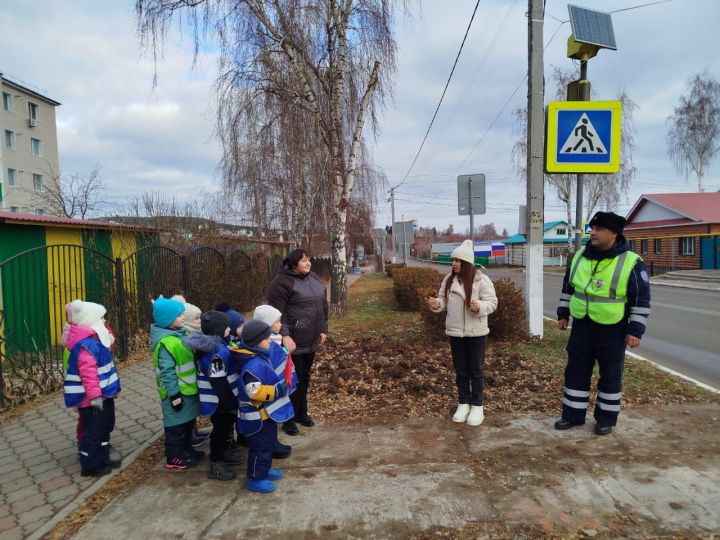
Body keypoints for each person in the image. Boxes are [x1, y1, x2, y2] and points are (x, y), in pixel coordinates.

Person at [555, 211, 651, 436]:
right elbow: (568, 288)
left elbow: (641, 298)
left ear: (613, 234)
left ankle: (605, 419)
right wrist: (563, 313)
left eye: (598, 230)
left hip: (613, 327)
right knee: (576, 370)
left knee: (610, 374)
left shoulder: (630, 262)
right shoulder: (580, 256)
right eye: (592, 229)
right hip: (582, 324)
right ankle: (572, 415)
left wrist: (635, 329)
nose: (593, 233)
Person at [428, 239, 498, 427]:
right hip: (455, 333)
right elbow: (443, 301)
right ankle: (463, 403)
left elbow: (492, 302)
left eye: (457, 261)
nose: (454, 264)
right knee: (460, 371)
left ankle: (477, 405)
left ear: (466, 263)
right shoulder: (449, 280)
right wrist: (437, 304)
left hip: (477, 333)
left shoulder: (481, 280)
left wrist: (481, 306)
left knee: (476, 371)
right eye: (453, 261)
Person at [267, 248, 328, 436]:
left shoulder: (313, 277)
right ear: (294, 264)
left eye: (309, 260)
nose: (308, 263)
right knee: (291, 379)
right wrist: (285, 335)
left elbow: (323, 305)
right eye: (303, 261)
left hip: (312, 337)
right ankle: (288, 419)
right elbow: (277, 313)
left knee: (304, 377)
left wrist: (323, 329)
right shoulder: (282, 282)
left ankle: (302, 413)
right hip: (293, 340)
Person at [235, 319, 294, 493]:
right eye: (267, 338)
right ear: (255, 341)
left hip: (267, 416)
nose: (270, 340)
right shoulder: (253, 365)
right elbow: (253, 391)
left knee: (267, 446)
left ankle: (264, 469)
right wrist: (276, 391)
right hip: (257, 418)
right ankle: (255, 478)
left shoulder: (260, 357)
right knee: (259, 448)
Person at [63, 300, 121, 477]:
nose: (104, 321)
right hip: (92, 400)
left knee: (105, 428)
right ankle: (90, 466)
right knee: (93, 432)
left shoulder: (95, 341)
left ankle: (103, 458)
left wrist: (111, 390)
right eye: (101, 318)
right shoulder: (86, 346)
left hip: (104, 395)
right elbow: (88, 374)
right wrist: (95, 396)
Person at [185, 310, 244, 481]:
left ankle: (224, 453)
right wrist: (230, 403)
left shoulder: (216, 347)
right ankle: (216, 462)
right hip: (220, 401)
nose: (229, 329)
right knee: (220, 430)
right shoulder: (217, 353)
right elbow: (219, 381)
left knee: (225, 428)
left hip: (221, 400)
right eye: (226, 327)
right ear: (219, 330)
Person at [150, 297, 203, 469]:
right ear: (167, 319)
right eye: (179, 315)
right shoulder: (166, 343)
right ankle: (174, 456)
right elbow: (167, 372)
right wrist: (174, 395)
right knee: (176, 427)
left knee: (187, 424)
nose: (183, 317)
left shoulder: (180, 335)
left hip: (187, 390)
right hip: (176, 393)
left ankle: (186, 450)